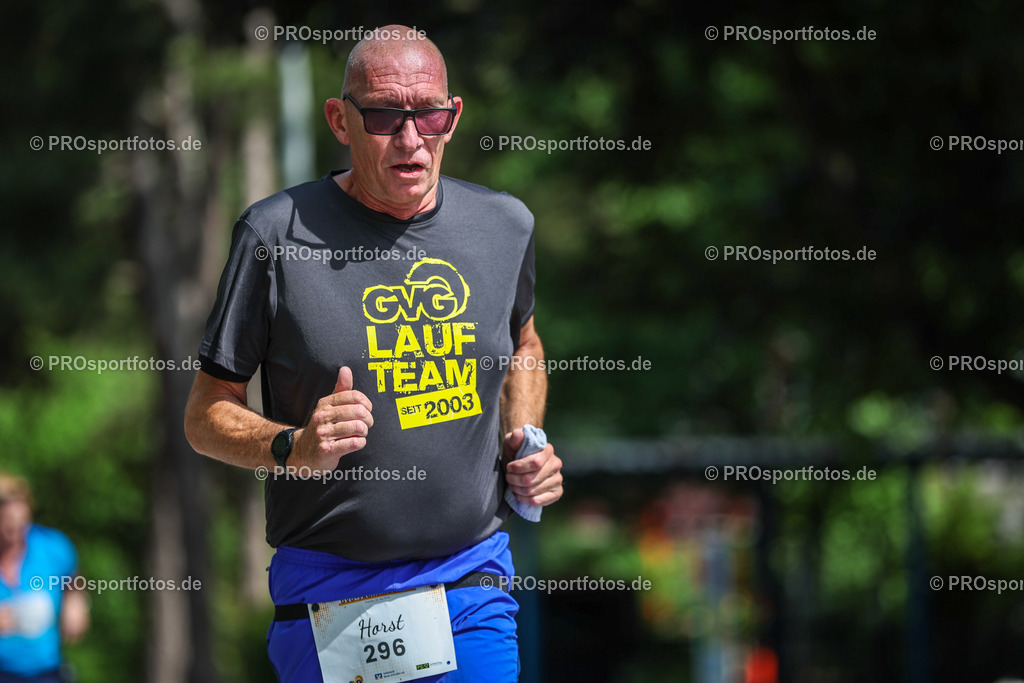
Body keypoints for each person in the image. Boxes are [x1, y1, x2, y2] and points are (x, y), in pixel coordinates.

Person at [184, 24, 562, 682]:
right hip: (332, 590)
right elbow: (205, 411)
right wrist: (292, 446)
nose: (411, 139)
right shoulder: (274, 235)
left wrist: (523, 437)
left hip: (468, 577)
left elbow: (523, 341)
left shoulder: (505, 225)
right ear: (339, 119)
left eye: (430, 115)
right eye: (385, 115)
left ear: (454, 116)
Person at [0, 473, 89, 683]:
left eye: (21, 523)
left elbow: (74, 580)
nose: (15, 532)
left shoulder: (52, 546)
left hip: (47, 672)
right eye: (6, 524)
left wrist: (76, 604)